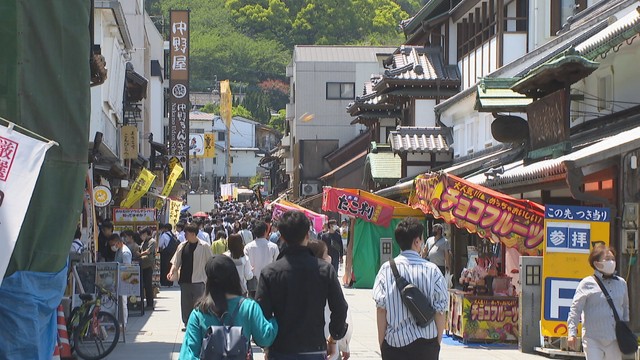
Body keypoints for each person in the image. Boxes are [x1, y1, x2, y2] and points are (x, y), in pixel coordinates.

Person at [256, 211, 348, 359]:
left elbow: (261, 315)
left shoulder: (269, 273)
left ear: (283, 237)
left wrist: (266, 344)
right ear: (307, 234)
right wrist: (334, 337)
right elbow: (340, 307)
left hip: (281, 349)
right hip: (314, 348)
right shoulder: (324, 270)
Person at [373, 217, 448, 360]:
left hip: (395, 344)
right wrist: (437, 343)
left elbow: (381, 309)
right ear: (417, 241)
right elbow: (440, 310)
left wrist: (382, 344)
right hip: (427, 344)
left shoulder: (386, 269)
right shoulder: (433, 270)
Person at [179, 255, 278, 360]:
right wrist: (275, 320)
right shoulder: (249, 307)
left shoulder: (200, 312)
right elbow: (264, 338)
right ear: (234, 276)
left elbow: (188, 355)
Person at [567, 245, 629, 359]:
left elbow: (625, 308)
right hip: (592, 338)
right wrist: (572, 333)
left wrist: (625, 331)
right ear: (596, 263)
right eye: (607, 259)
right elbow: (575, 309)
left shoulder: (621, 283)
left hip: (615, 339)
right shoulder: (586, 284)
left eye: (613, 259)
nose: (611, 262)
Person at [308, 240, 353, 360]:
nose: (329, 257)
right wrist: (344, 345)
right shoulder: (328, 277)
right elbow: (342, 311)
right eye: (326, 254)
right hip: (330, 342)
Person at [168, 224, 214, 330]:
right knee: (185, 304)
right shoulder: (182, 246)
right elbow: (176, 261)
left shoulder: (204, 246)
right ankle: (187, 323)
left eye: (186, 233)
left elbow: (210, 262)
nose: (185, 235)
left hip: (199, 279)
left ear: (193, 234)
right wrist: (171, 271)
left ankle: (199, 323)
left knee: (199, 304)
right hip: (184, 279)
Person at [244, 221, 279, 299]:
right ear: (266, 231)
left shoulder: (248, 247)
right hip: (269, 282)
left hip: (252, 282)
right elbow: (277, 265)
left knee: (252, 307)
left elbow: (245, 266)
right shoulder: (273, 247)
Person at [139, 228, 157, 309]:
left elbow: (148, 252)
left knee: (148, 285)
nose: (142, 236)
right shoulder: (144, 242)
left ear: (147, 233)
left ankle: (150, 304)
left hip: (148, 265)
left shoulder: (152, 241)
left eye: (143, 234)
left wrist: (138, 254)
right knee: (143, 284)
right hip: (143, 265)